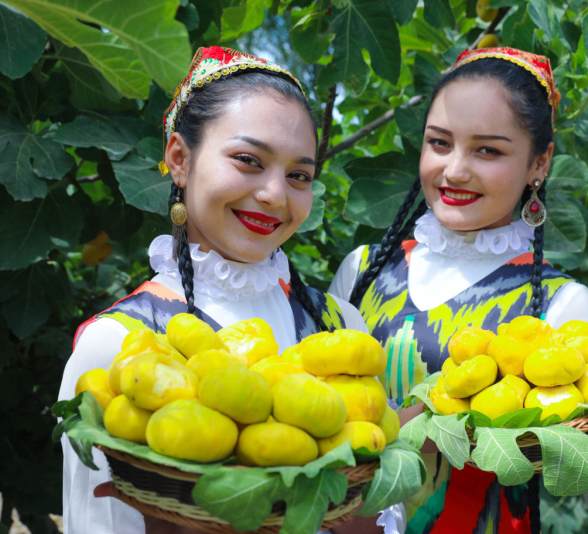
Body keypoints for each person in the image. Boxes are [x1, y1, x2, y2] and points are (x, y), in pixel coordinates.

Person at [329, 47, 588, 534]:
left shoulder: (560, 304)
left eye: (488, 150)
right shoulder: (363, 270)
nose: (455, 170)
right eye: (439, 143)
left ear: (539, 163)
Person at [57, 47, 392, 534]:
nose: (276, 195)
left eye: (299, 175)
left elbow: (367, 513)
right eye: (248, 160)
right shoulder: (118, 345)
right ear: (179, 159)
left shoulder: (341, 325)